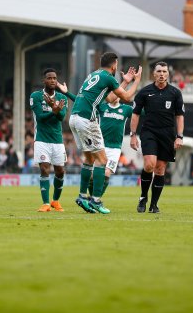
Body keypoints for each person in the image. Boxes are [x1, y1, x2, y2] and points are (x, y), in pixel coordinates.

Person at [69, 52, 141, 214]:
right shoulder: (108, 77)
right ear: (114, 64)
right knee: (102, 160)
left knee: (89, 159)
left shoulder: (94, 74)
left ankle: (82, 196)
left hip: (74, 117)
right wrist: (136, 81)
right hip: (87, 119)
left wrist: (124, 81)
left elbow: (109, 98)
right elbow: (128, 97)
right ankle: (96, 200)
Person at [130, 61, 185, 213]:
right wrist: (133, 135)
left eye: (164, 71)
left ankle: (154, 205)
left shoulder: (175, 93)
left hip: (167, 134)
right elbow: (135, 114)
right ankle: (143, 197)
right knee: (149, 164)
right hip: (149, 132)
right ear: (153, 74)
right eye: (159, 71)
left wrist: (179, 136)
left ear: (168, 74)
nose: (162, 74)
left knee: (160, 169)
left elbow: (180, 116)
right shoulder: (144, 92)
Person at [29, 68, 68, 212]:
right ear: (44, 81)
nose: (52, 80)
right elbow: (40, 117)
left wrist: (55, 110)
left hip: (57, 140)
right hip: (41, 139)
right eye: (49, 78)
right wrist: (53, 110)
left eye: (54, 78)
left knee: (60, 171)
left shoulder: (62, 98)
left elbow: (61, 117)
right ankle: (45, 203)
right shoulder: (36, 96)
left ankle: (55, 201)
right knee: (45, 169)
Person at [87, 98, 133, 197]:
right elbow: (85, 102)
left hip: (115, 148)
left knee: (107, 173)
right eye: (114, 94)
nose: (116, 96)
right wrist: (67, 93)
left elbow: (141, 113)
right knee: (92, 176)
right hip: (100, 146)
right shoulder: (102, 107)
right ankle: (92, 198)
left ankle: (96, 199)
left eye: (118, 94)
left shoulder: (126, 109)